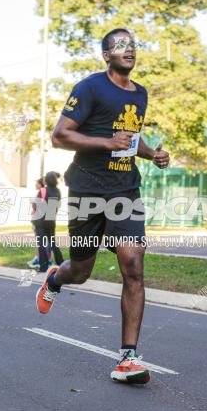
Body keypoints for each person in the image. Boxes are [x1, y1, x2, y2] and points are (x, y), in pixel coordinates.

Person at [34, 28, 170, 384]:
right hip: (86, 190)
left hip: (125, 191)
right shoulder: (90, 87)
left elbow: (132, 137)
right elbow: (60, 135)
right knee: (80, 270)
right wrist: (105, 142)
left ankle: (128, 358)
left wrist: (151, 152)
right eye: (120, 46)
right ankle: (55, 277)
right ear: (106, 55)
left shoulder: (140, 93)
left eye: (133, 45)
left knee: (133, 265)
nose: (129, 50)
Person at [34, 171, 65, 272]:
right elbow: (58, 205)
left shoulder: (43, 191)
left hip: (41, 221)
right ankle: (61, 264)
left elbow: (35, 205)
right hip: (51, 221)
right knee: (53, 243)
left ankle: (44, 267)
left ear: (46, 180)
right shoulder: (58, 191)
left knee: (42, 244)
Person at [28, 178, 47, 269]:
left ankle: (39, 258)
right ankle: (38, 257)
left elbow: (41, 203)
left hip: (38, 219)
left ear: (40, 184)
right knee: (39, 240)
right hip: (38, 218)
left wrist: (33, 202)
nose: (35, 185)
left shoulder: (42, 190)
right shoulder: (42, 191)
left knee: (40, 240)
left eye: (36, 183)